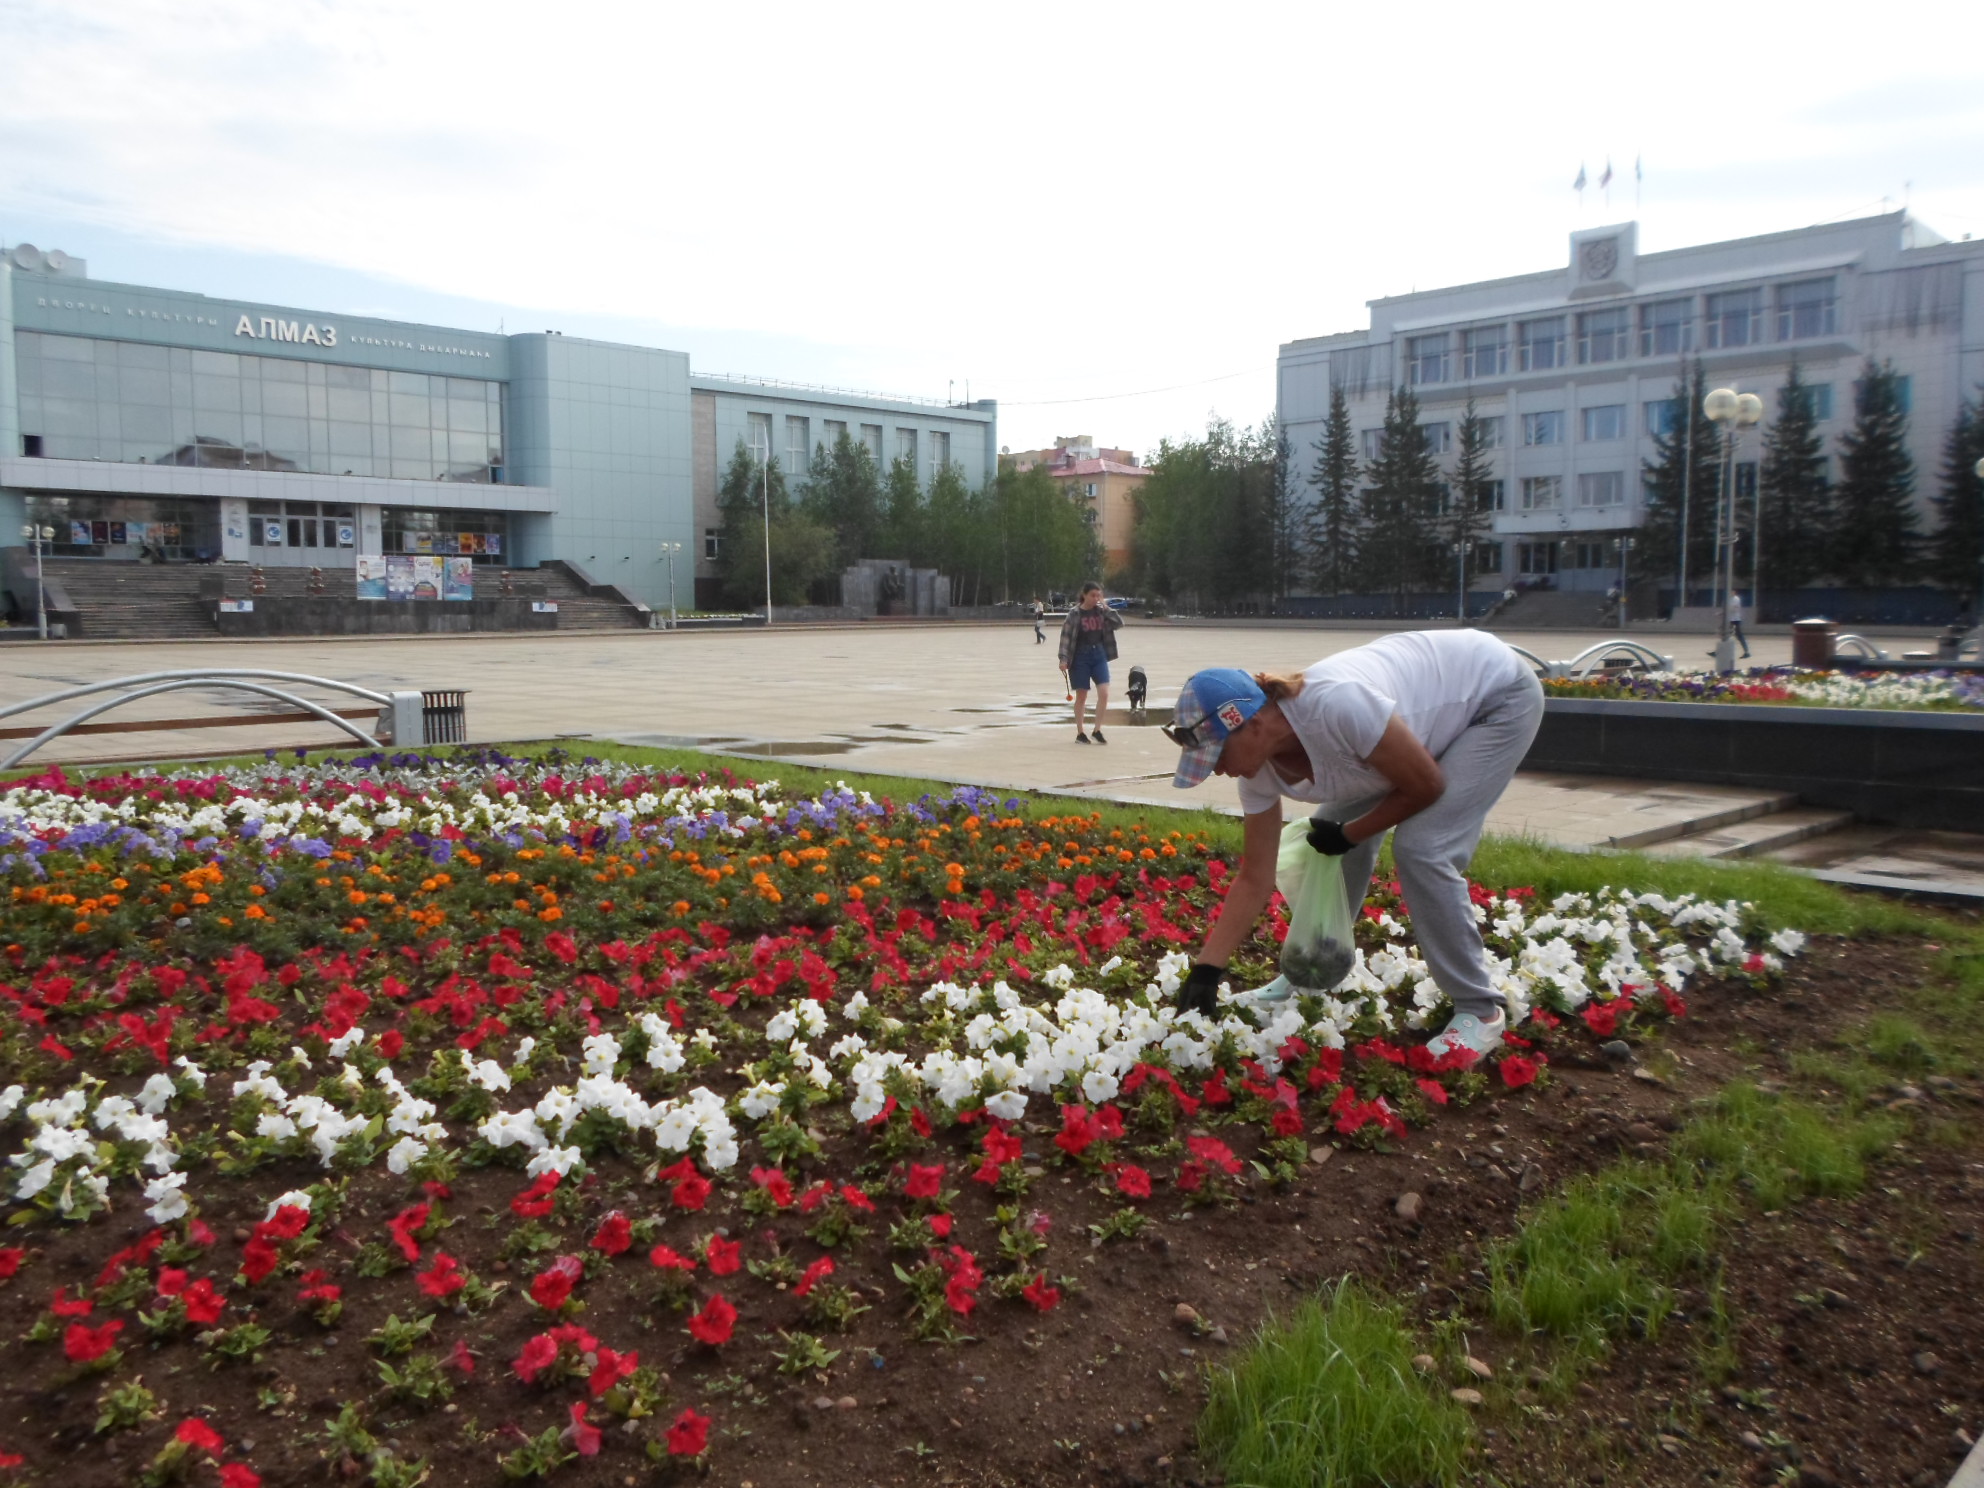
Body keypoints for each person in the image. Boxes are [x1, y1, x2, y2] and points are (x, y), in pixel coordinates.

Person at [1160, 630, 1544, 1062]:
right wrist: (1207, 971)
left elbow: (1424, 785)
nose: (1216, 771)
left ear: (1252, 724)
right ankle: (1312, 975)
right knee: (1329, 828)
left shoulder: (1335, 707)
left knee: (1423, 849)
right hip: (1419, 724)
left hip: (1494, 698)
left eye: (1216, 756)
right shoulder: (1256, 770)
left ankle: (1480, 1008)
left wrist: (1351, 835)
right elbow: (1255, 875)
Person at [1057, 582, 1121, 744]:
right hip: (1080, 656)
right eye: (1092, 595)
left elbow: (1118, 623)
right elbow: (1065, 637)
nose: (1095, 599)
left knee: (1104, 692)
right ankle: (1080, 732)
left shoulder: (1101, 612)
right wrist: (1063, 659)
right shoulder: (1074, 614)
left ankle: (1097, 730)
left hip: (1099, 654)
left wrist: (1107, 608)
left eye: (1098, 595)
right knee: (1082, 695)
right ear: (1084, 595)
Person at [1726, 591, 1751, 659]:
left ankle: (1747, 652)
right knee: (1726, 634)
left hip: (1735, 619)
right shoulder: (1730, 599)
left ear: (1733, 592)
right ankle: (1718, 652)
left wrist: (1727, 611)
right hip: (1731, 619)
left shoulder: (1736, 599)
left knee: (1738, 636)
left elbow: (1734, 608)